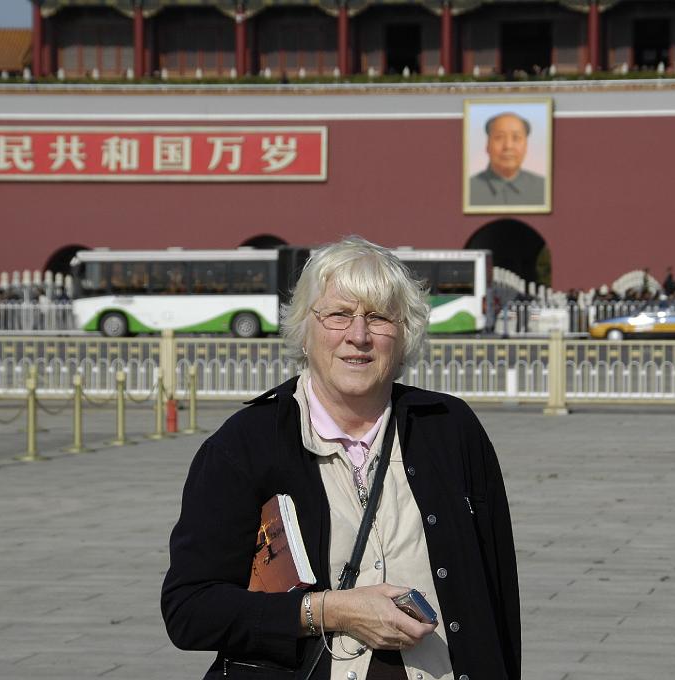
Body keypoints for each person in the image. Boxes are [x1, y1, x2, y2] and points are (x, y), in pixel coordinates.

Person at [161, 236, 521, 680]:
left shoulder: (449, 429)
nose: (358, 336)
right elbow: (190, 610)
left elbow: (498, 595)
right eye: (338, 315)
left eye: (379, 317)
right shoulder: (246, 444)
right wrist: (328, 611)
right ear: (304, 327)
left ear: (404, 332)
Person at [469, 112, 546, 207]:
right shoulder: (467, 189)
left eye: (516, 138)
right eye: (499, 137)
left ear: (526, 146)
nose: (508, 146)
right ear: (487, 145)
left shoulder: (544, 188)